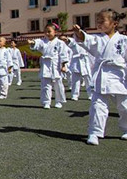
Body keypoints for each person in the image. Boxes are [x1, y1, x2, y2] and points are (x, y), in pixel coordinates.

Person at [72, 9, 127, 145]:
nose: (99, 24)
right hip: (101, 76)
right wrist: (79, 33)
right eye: (98, 21)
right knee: (98, 106)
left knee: (124, 106)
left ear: (114, 23)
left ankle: (126, 129)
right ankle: (94, 132)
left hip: (119, 76)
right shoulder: (97, 38)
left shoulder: (123, 40)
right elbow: (87, 39)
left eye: (102, 21)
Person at [28, 23, 69, 109]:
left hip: (56, 65)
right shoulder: (43, 41)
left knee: (58, 85)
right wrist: (32, 42)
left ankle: (58, 101)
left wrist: (63, 65)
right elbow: (37, 43)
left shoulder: (60, 43)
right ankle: (46, 102)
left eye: (49, 31)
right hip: (46, 65)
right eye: (45, 31)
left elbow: (63, 55)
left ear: (55, 32)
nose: (47, 33)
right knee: (45, 85)